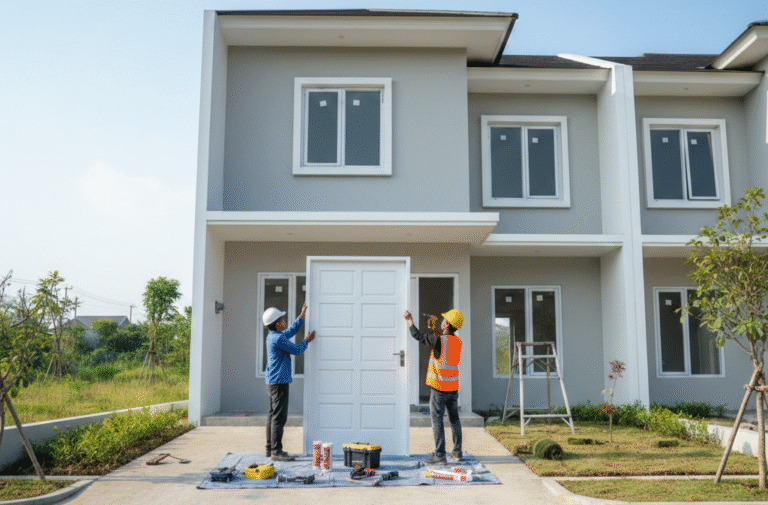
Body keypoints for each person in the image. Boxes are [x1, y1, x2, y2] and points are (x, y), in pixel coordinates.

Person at [404, 309, 464, 465]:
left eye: (444, 320)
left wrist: (410, 321)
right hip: (453, 387)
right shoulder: (457, 342)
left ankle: (440, 456)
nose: (442, 321)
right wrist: (433, 329)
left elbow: (419, 336)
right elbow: (441, 341)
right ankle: (457, 453)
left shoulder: (438, 340)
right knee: (454, 419)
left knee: (437, 420)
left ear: (447, 324)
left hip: (439, 388)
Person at [263, 302, 316, 461]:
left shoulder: (274, 336)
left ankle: (269, 448)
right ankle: (276, 452)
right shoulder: (278, 339)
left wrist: (301, 317)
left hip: (272, 382)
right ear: (277, 323)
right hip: (279, 383)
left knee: (273, 416)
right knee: (279, 418)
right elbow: (297, 349)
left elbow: (291, 331)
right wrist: (307, 340)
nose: (284, 321)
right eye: (282, 319)